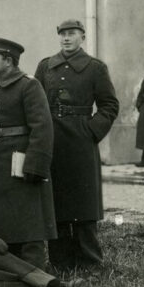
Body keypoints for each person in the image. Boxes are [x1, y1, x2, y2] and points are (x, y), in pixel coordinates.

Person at [33, 19, 120, 272]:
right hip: (51, 141)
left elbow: (109, 105)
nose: (66, 38)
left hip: (81, 141)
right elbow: (36, 103)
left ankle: (90, 261)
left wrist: (90, 131)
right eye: (62, 34)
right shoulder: (46, 66)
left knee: (84, 202)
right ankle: (60, 261)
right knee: (55, 200)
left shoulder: (95, 68)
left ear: (83, 37)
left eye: (72, 34)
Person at [0, 37, 56, 273]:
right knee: (1, 221)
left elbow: (42, 128)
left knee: (29, 221)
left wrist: (34, 165)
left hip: (22, 164)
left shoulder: (29, 86)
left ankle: (35, 271)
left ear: (8, 61)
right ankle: (9, 269)